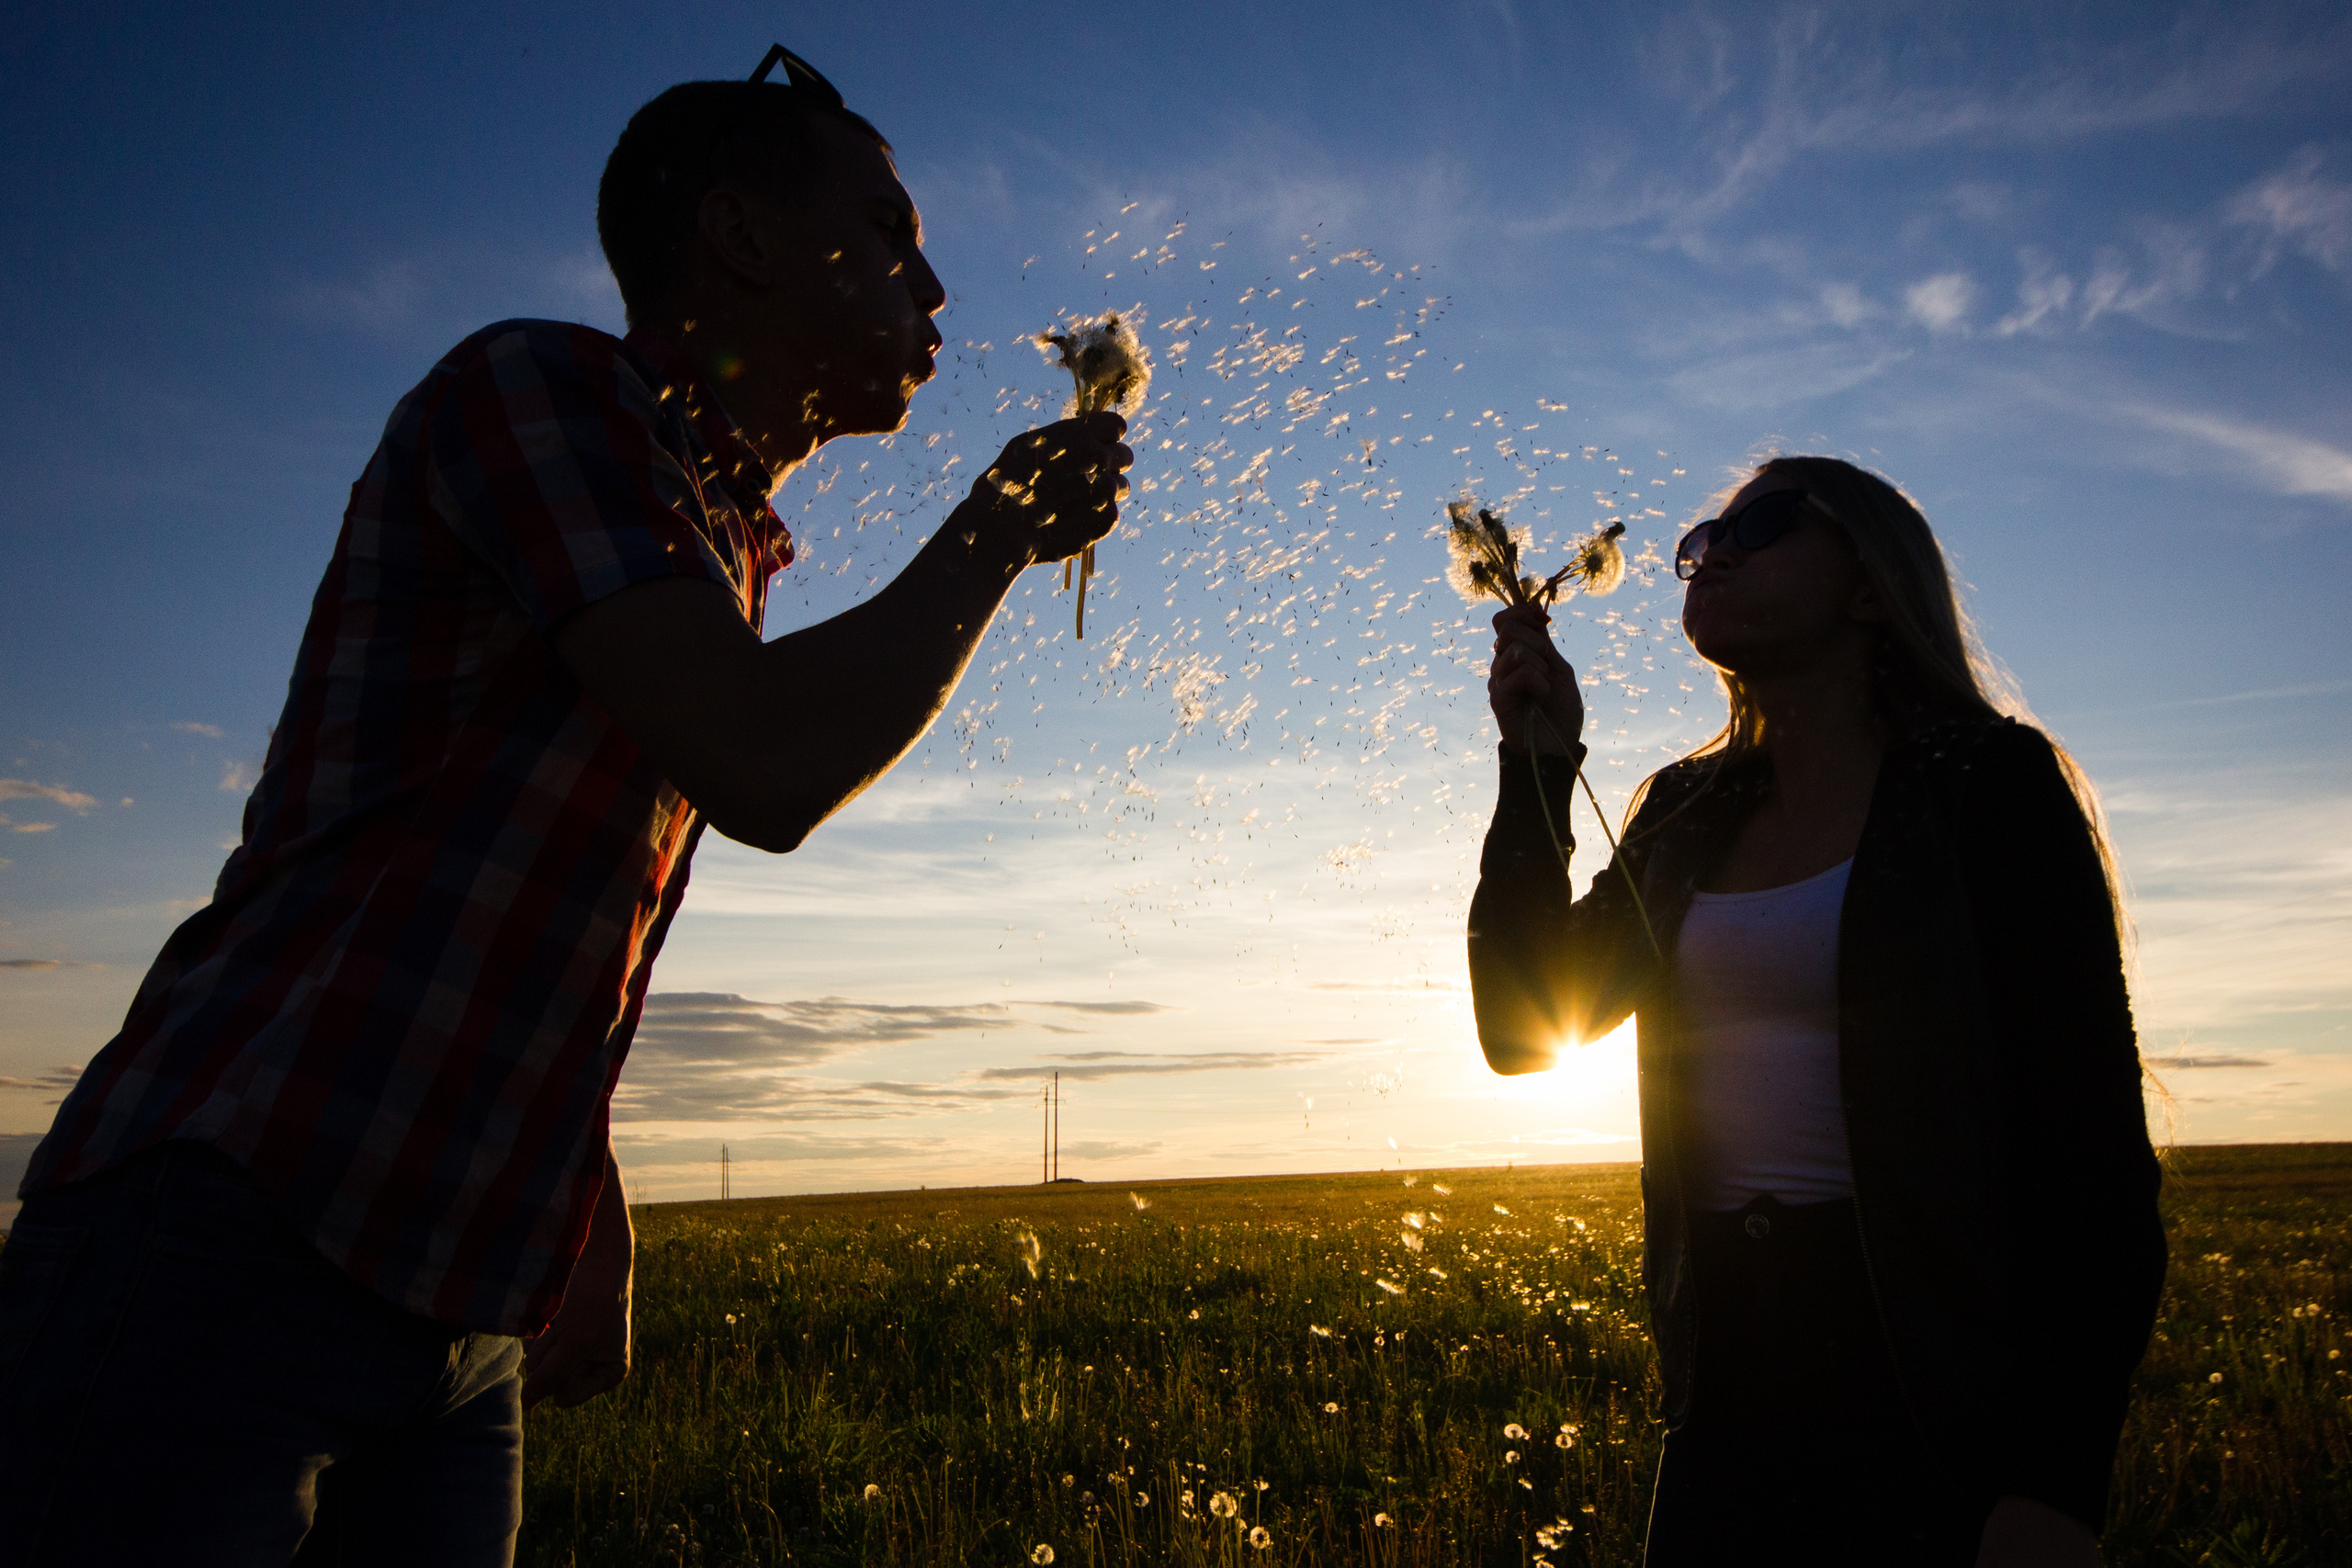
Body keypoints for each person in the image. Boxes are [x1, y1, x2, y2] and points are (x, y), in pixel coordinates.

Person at [0, 47, 1129, 1567]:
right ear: (737, 241)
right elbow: (762, 760)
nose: (933, 287)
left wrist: (577, 1187)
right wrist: (993, 531)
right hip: (229, 1239)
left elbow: (529, 889)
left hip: (453, 1316)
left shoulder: (715, 528)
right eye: (886, 227)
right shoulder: (541, 392)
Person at [1468, 455, 2165, 1567]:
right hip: (1724, 1390)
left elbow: (2091, 1161)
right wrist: (1537, 768)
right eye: (1702, 541)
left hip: (1932, 1388)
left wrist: (2054, 1483)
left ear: (1868, 583)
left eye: (1771, 522)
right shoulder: (1685, 811)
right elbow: (1520, 1027)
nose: (1716, 552)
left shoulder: (1984, 787)